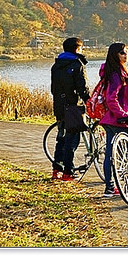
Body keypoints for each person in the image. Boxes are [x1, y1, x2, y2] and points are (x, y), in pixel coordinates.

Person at [98, 42, 128, 197]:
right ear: (115, 55)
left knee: (111, 155)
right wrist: (123, 114)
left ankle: (110, 187)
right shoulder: (117, 74)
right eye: (122, 53)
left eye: (127, 52)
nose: (125, 56)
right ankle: (126, 186)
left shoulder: (110, 71)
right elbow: (111, 98)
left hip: (109, 119)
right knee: (124, 156)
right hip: (118, 120)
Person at [50, 37, 90, 181]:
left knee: (61, 138)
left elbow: (53, 88)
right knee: (72, 140)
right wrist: (89, 101)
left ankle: (57, 169)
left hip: (59, 106)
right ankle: (68, 171)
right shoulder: (77, 64)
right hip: (73, 107)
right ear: (77, 49)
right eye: (81, 48)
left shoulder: (56, 65)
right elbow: (82, 88)